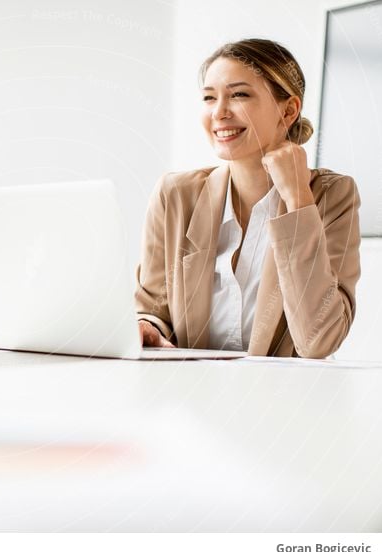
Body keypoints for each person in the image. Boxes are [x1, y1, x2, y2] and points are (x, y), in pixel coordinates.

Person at [135, 38, 361, 358]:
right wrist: (148, 326)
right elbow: (153, 307)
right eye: (209, 98)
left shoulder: (332, 195)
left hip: (286, 402)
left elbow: (317, 341)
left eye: (239, 94)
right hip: (191, 398)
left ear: (288, 110)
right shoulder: (175, 195)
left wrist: (298, 201)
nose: (220, 112)